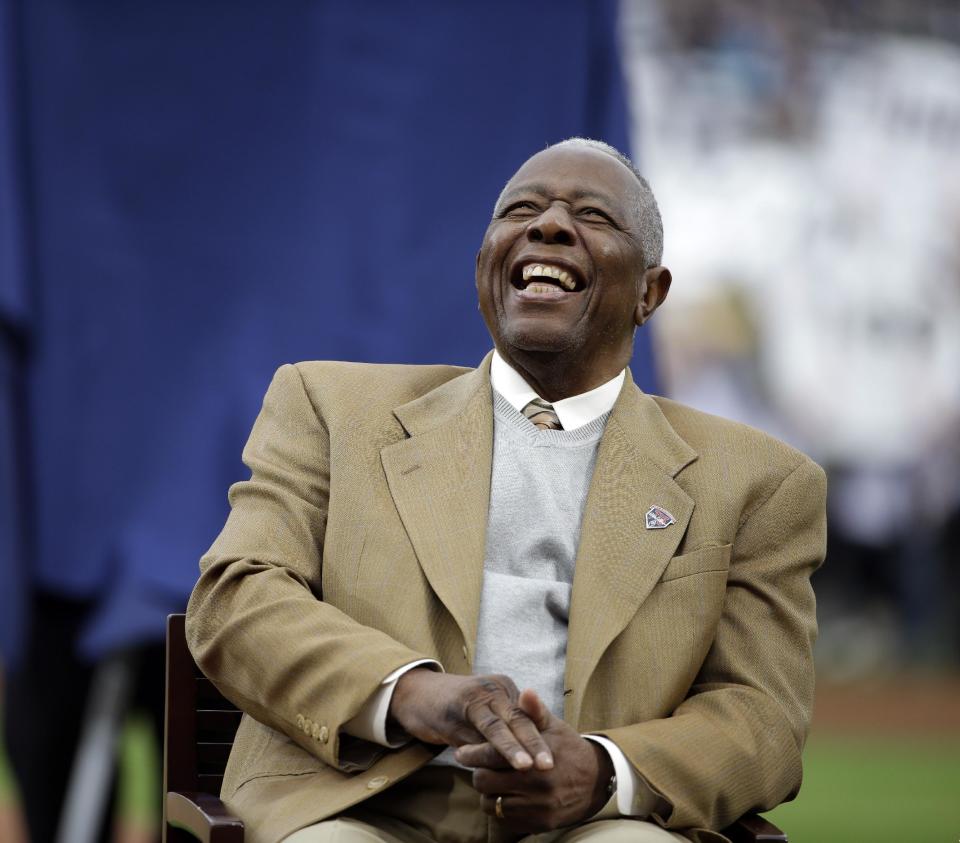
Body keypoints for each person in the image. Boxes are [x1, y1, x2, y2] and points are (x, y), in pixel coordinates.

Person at [185, 138, 827, 843]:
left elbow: (762, 717)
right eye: (522, 209)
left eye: (594, 216)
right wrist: (410, 691)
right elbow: (236, 596)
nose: (549, 225)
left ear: (651, 292)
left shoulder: (759, 481)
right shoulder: (330, 408)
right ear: (484, 266)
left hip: (595, 821)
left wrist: (606, 772)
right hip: (354, 807)